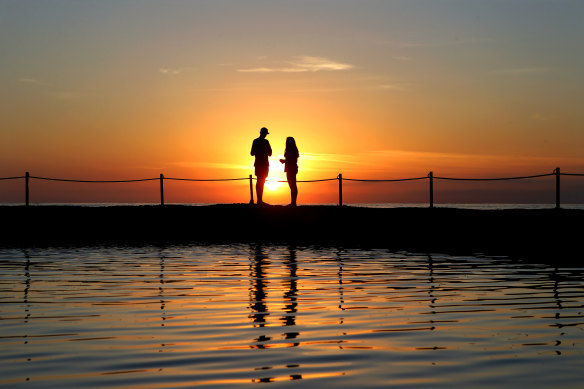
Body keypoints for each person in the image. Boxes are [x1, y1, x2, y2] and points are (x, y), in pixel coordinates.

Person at [250, 127, 272, 205]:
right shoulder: (263, 142)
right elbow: (252, 153)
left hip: (262, 164)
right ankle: (259, 200)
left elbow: (270, 153)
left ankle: (260, 200)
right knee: (260, 181)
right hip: (261, 164)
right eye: (265, 134)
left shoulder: (257, 141)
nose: (265, 135)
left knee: (261, 181)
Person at [279, 137, 299, 206]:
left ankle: (293, 203)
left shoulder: (292, 150)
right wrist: (285, 161)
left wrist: (284, 161)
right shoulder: (293, 150)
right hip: (291, 168)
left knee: (293, 186)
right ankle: (293, 202)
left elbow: (292, 160)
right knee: (292, 186)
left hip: (291, 168)